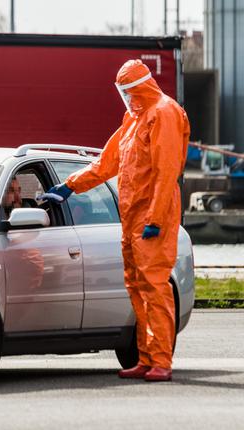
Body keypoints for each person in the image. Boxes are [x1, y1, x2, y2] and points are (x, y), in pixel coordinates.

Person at [40, 59, 190, 382]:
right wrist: (69, 186)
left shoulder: (164, 113)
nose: (125, 96)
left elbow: (166, 174)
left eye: (127, 90)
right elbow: (106, 163)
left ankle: (161, 360)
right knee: (137, 287)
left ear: (138, 86)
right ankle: (146, 357)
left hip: (153, 219)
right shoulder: (132, 119)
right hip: (131, 219)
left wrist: (156, 218)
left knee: (155, 287)